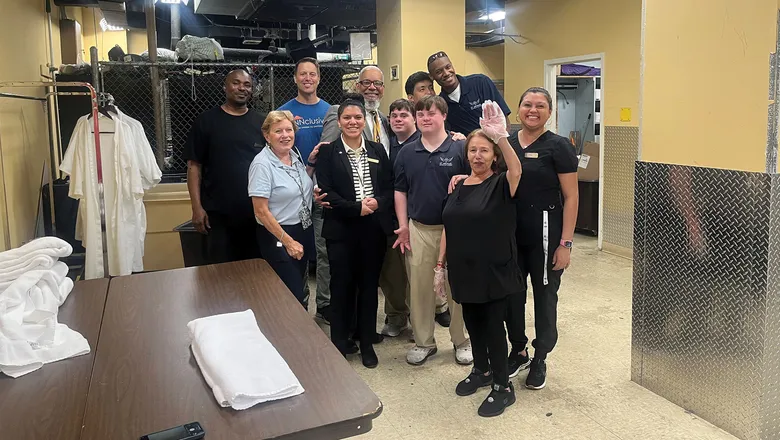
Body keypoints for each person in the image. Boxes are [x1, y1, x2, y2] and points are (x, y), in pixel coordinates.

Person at [437, 101, 523, 417]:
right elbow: (449, 224)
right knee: (473, 325)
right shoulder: (459, 185)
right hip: (463, 271)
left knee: (493, 329)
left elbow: (517, 170)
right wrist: (439, 265)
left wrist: (500, 136)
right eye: (472, 150)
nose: (477, 156)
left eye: (484, 151)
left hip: (494, 272)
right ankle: (482, 371)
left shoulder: (501, 183)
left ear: (494, 156)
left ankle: (503, 387)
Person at [505, 87, 579, 390]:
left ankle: (540, 355)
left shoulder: (559, 147)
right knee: (512, 295)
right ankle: (519, 349)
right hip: (511, 236)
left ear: (550, 112)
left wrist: (566, 244)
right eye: (527, 104)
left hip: (547, 238)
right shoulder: (506, 144)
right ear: (518, 108)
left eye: (540, 106)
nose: (532, 110)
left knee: (545, 297)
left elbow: (572, 196)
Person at [314, 96, 395, 368]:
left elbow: (388, 187)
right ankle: (340, 342)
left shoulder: (377, 150)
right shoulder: (327, 152)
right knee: (342, 287)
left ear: (365, 121)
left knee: (369, 288)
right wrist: (355, 208)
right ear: (339, 122)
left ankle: (367, 342)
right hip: (341, 230)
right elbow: (326, 192)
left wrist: (377, 203)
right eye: (347, 118)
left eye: (357, 118)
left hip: (372, 230)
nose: (352, 122)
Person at [393, 95, 471, 366]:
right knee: (420, 287)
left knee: (457, 287)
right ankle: (424, 342)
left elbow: (480, 179)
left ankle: (461, 340)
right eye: (421, 114)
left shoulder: (460, 148)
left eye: (431, 113)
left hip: (456, 231)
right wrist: (403, 226)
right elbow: (400, 190)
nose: (425, 118)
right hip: (419, 229)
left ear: (444, 116)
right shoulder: (406, 152)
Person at [184, 69, 265, 264]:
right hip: (218, 215)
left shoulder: (262, 123)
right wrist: (197, 208)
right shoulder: (206, 121)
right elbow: (194, 166)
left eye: (247, 85)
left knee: (255, 271)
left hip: (255, 213)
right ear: (225, 87)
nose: (242, 88)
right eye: (236, 83)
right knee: (221, 274)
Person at [278, 57, 331, 316]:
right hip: (293, 193)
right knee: (296, 250)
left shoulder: (330, 111)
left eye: (312, 74)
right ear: (295, 78)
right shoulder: (284, 113)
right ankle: (298, 305)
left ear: (319, 78)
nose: (308, 78)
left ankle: (325, 306)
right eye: (303, 74)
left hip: (322, 192)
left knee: (323, 251)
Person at [248, 111, 316, 307]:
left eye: (289, 130)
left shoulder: (294, 156)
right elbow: (260, 211)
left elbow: (298, 186)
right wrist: (288, 241)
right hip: (278, 235)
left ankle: (300, 330)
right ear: (267, 135)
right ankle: (289, 334)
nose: (285, 135)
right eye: (278, 131)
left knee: (301, 291)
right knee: (290, 294)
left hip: (301, 228)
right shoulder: (262, 164)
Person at [427, 51, 512, 135]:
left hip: (495, 144)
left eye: (448, 67)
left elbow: (504, 118)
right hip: (467, 148)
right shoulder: (441, 104)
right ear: (432, 76)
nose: (446, 73)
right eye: (439, 72)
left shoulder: (481, 82)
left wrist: (502, 144)